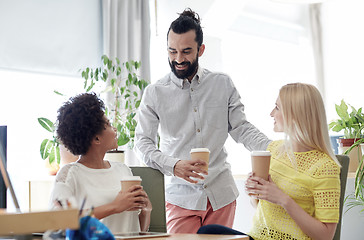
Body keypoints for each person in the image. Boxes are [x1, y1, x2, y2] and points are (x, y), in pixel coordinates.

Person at [134, 8, 271, 233]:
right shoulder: (155, 93)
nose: (178, 59)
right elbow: (142, 144)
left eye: (186, 51)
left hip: (221, 195)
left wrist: (274, 149)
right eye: (172, 51)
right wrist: (174, 165)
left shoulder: (222, 84)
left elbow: (241, 128)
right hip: (181, 197)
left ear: (201, 49)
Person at [198, 83, 342, 240]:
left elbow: (326, 236)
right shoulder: (274, 150)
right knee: (207, 232)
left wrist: (283, 199)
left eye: (277, 108)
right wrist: (257, 191)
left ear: (295, 115)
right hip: (256, 237)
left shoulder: (325, 167)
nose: (271, 113)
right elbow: (258, 205)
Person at [49, 92, 152, 233]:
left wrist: (146, 210)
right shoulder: (70, 174)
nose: (115, 129)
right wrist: (115, 206)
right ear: (96, 139)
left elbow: (139, 231)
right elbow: (60, 220)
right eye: (109, 125)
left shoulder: (123, 170)